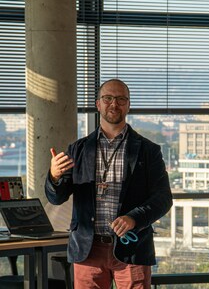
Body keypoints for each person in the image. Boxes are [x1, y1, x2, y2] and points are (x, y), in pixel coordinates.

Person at [45, 78, 173, 289]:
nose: (114, 104)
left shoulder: (149, 151)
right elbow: (56, 197)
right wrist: (54, 176)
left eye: (121, 99)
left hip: (132, 248)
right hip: (88, 250)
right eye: (108, 98)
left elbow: (163, 199)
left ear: (128, 105)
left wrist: (134, 219)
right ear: (98, 104)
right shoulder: (78, 149)